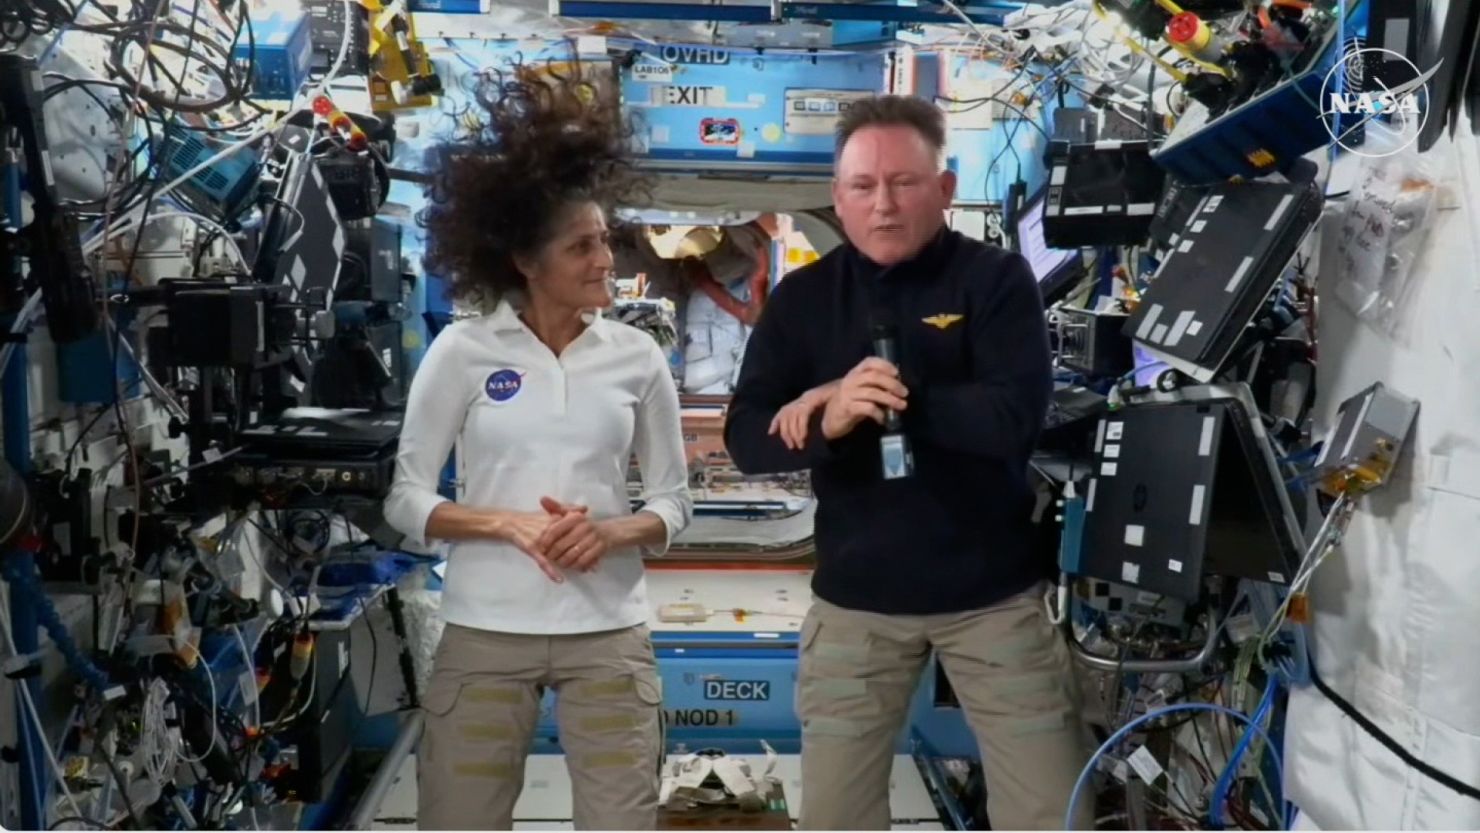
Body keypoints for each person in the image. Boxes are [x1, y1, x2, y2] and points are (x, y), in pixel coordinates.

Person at [723, 95, 1092, 830]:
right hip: (857, 602)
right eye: (862, 187)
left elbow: (1013, 419)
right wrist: (829, 416)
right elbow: (747, 437)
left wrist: (890, 394)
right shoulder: (802, 301)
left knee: (1054, 810)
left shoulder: (994, 282)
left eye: (904, 182)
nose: (882, 204)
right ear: (838, 197)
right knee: (833, 817)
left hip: (992, 596)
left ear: (946, 188)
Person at [384, 59, 693, 831]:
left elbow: (672, 501)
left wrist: (612, 529)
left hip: (609, 635)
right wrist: (507, 523)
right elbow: (406, 500)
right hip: (486, 630)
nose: (606, 261)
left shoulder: (636, 355)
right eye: (583, 247)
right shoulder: (461, 352)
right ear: (526, 262)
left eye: (605, 240)